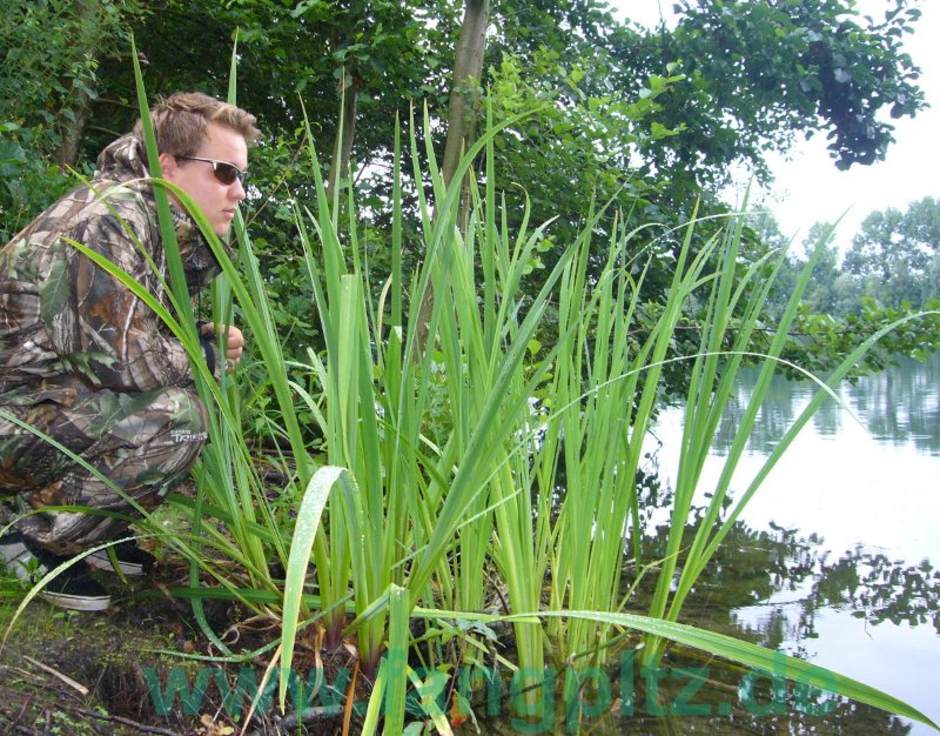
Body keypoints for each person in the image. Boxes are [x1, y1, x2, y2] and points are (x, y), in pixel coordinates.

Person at [0, 92, 258, 611]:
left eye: (242, 176)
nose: (240, 192)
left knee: (180, 395)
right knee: (181, 417)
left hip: (40, 403)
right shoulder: (113, 215)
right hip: (16, 417)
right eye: (225, 173)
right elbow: (122, 363)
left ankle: (85, 530)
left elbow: (110, 328)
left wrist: (201, 333)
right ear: (168, 165)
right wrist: (202, 353)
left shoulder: (150, 220)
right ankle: (30, 539)